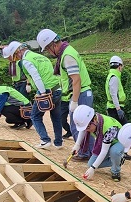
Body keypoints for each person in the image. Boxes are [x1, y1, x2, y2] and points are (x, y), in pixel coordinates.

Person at [37, 29, 93, 160]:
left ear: (53, 45)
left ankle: (86, 153)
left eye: (47, 50)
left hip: (81, 93)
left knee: (78, 126)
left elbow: (76, 80)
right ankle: (89, 152)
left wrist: (74, 101)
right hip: (82, 92)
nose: (49, 53)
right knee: (83, 126)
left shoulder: (67, 56)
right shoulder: (67, 51)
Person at [8, 41, 63, 149]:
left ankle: (45, 140)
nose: (16, 59)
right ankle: (58, 142)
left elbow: (36, 77)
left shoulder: (26, 61)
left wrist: (42, 94)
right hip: (57, 88)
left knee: (34, 116)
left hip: (46, 90)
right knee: (56, 117)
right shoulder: (39, 56)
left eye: (15, 56)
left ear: (18, 52)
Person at [72, 105, 125, 182]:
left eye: (87, 127)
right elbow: (83, 130)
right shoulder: (92, 120)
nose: (87, 130)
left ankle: (115, 170)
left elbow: (104, 151)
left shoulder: (110, 128)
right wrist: (77, 145)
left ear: (94, 120)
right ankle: (118, 160)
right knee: (91, 164)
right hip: (105, 141)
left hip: (118, 141)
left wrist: (93, 169)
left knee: (115, 152)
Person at [105, 56, 127, 124]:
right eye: (122, 66)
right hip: (115, 108)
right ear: (119, 66)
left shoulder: (112, 75)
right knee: (124, 128)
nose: (122, 68)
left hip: (114, 107)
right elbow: (113, 94)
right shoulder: (114, 77)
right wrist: (118, 109)